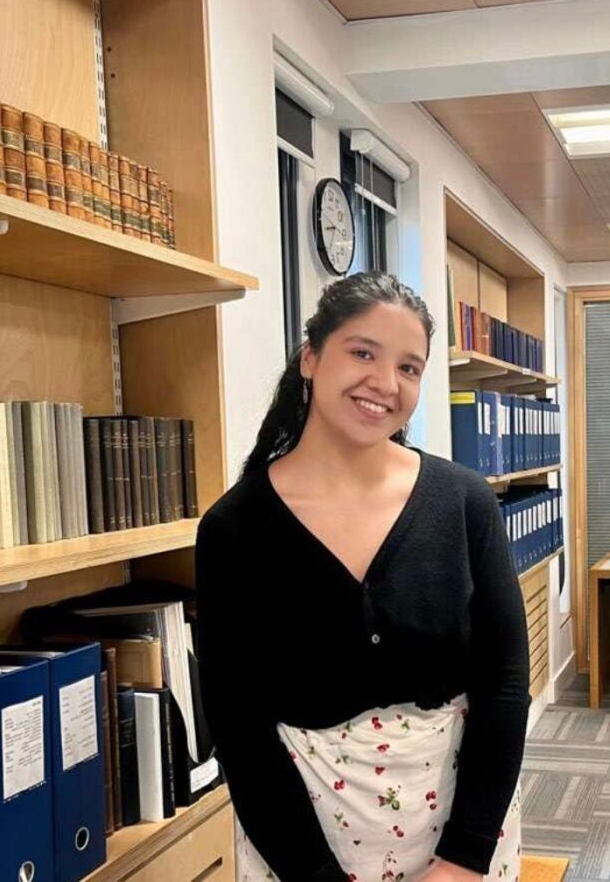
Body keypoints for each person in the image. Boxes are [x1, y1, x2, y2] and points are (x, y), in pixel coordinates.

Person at [195, 271, 529, 882]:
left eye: (409, 368)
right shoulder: (234, 527)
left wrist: (464, 858)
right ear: (310, 358)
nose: (385, 383)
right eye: (363, 352)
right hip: (303, 840)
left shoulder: (463, 502)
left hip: (460, 832)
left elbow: (504, 686)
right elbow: (237, 724)